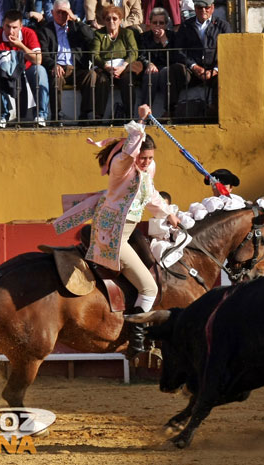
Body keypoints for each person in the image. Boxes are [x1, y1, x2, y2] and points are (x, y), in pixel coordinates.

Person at [53, 104, 179, 359]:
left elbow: (151, 195)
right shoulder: (122, 166)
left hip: (123, 232)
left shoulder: (146, 172)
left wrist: (169, 214)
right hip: (111, 236)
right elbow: (131, 149)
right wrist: (140, 124)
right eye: (142, 158)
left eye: (150, 158)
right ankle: (137, 341)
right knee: (149, 289)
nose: (145, 162)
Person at [168, 0, 231, 117]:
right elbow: (179, 50)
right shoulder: (186, 25)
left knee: (224, 77)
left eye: (206, 7)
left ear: (212, 8)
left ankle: (215, 110)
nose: (203, 10)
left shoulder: (223, 26)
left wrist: (215, 70)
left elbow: (229, 51)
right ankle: (172, 110)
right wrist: (194, 66)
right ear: (195, 8)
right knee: (175, 69)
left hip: (214, 71)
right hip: (193, 71)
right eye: (199, 7)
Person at [36, 0, 94, 122]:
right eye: (58, 12)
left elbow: (91, 37)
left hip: (76, 68)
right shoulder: (46, 30)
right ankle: (57, 116)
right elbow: (44, 54)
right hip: (58, 67)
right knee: (56, 78)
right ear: (52, 12)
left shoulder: (76, 27)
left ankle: (85, 115)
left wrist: (76, 19)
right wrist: (53, 64)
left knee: (91, 75)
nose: (62, 16)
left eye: (65, 13)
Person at [0, 9, 49, 127]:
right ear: (3, 24)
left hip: (27, 70)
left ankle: (41, 115)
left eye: (14, 27)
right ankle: (4, 115)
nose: (10, 31)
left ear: (21, 26)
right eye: (7, 26)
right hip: (7, 71)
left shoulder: (29, 33)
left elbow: (38, 60)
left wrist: (20, 46)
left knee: (40, 70)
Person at [87, 5, 138, 120]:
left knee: (127, 80)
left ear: (120, 20)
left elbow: (134, 52)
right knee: (102, 80)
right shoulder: (99, 34)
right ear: (104, 21)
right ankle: (98, 116)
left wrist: (123, 66)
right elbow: (94, 54)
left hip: (124, 66)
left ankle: (130, 115)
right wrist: (106, 67)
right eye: (108, 19)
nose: (111, 21)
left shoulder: (127, 33)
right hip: (105, 67)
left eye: (114, 18)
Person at [137, 7, 174, 110]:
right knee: (151, 75)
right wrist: (148, 63)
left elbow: (173, 55)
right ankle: (145, 110)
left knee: (165, 72)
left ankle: (168, 110)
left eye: (161, 23)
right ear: (151, 23)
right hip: (149, 68)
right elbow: (141, 55)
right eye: (155, 23)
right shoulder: (144, 37)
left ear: (166, 24)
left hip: (166, 67)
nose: (158, 26)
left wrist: (163, 39)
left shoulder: (172, 36)